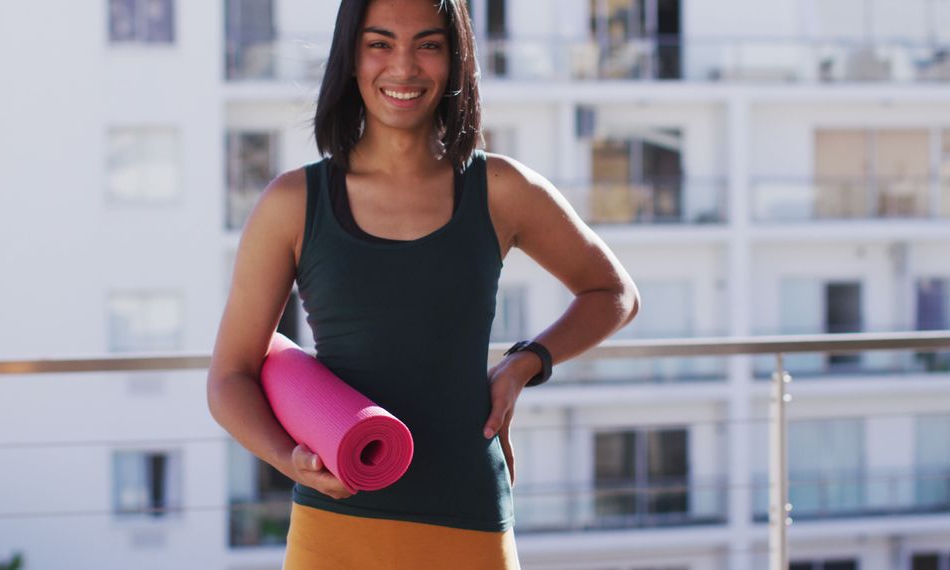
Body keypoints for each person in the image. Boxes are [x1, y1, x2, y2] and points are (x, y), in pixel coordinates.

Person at [206, 0, 640, 568]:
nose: (404, 67)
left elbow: (613, 293)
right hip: (335, 529)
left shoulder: (501, 188)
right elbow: (230, 377)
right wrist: (290, 459)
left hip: (468, 521)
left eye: (428, 45)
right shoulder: (293, 204)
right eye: (380, 43)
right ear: (350, 58)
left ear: (456, 59)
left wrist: (524, 362)